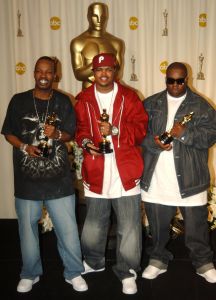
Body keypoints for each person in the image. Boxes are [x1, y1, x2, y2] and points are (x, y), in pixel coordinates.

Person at [1, 56, 88, 293]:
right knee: (27, 230)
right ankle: (30, 273)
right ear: (34, 73)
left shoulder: (63, 101)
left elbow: (70, 134)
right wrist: (24, 147)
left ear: (55, 76)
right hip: (27, 180)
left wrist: (57, 133)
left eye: (48, 72)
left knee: (68, 229)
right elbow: (8, 133)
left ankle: (73, 272)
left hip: (58, 179)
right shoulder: (19, 101)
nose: (43, 75)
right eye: (40, 71)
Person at [75, 53, 148, 294]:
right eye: (99, 70)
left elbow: (141, 130)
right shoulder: (84, 98)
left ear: (115, 70)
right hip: (96, 169)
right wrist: (86, 143)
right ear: (92, 73)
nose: (104, 74)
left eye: (108, 69)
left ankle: (127, 272)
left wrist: (116, 129)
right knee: (94, 224)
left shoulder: (129, 96)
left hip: (125, 170)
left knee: (128, 227)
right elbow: (80, 130)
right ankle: (94, 262)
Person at [141, 62, 216, 282]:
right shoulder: (151, 103)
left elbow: (211, 136)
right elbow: (137, 134)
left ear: (186, 80)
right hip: (157, 177)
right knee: (158, 224)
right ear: (165, 80)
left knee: (197, 227)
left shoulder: (201, 106)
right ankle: (157, 259)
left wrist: (185, 133)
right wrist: (154, 143)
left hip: (191, 176)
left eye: (179, 81)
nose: (175, 85)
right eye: (170, 81)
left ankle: (203, 262)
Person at [70, 2, 125, 90]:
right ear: (88, 16)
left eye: (103, 16)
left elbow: (118, 73)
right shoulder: (78, 42)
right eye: (95, 16)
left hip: (111, 93)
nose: (99, 20)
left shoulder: (116, 43)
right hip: (88, 92)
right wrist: (100, 62)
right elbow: (78, 75)